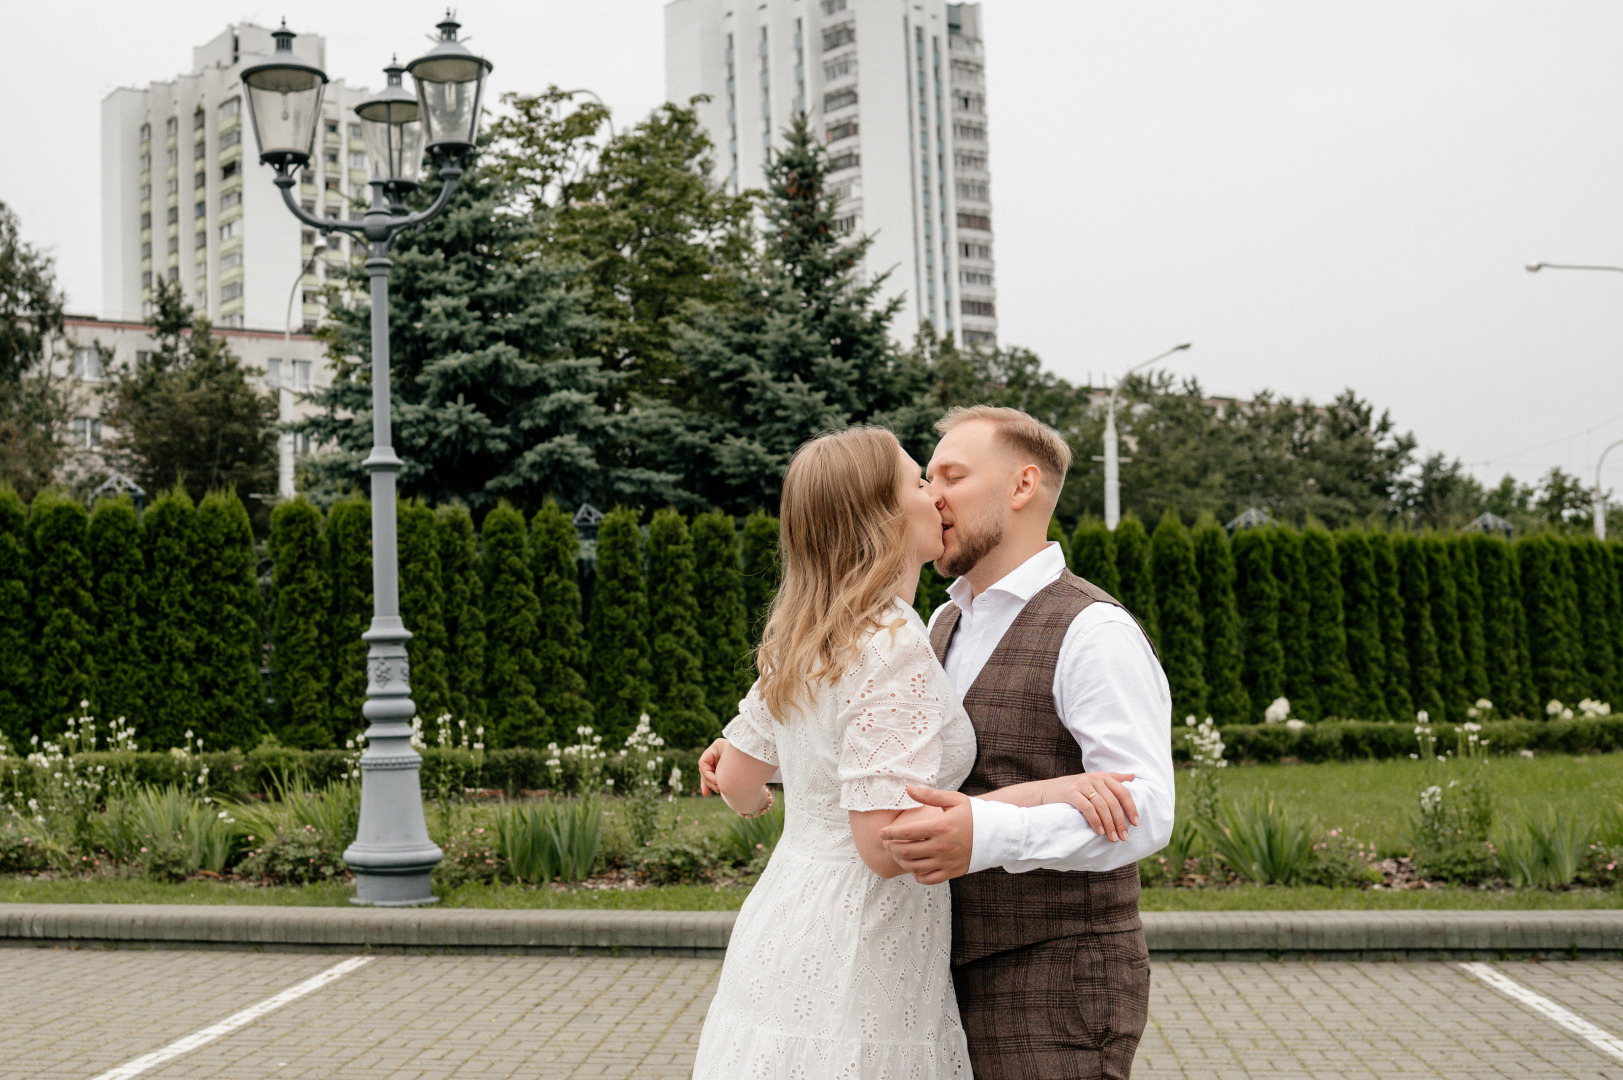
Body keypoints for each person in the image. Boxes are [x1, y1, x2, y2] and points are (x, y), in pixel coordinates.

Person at [693, 426, 1135, 1080]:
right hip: (861, 945)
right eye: (918, 481)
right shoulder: (892, 641)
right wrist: (1054, 789)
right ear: (882, 516)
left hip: (782, 921)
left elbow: (733, 775)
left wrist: (766, 797)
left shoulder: (803, 634)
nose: (934, 496)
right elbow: (883, 844)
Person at [878, 405, 1175, 1080]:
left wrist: (988, 834)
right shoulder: (943, 621)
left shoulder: (1093, 632)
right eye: (926, 479)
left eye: (951, 475)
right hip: (939, 973)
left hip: (1056, 983)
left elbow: (1148, 808)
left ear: (1021, 487)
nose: (932, 496)